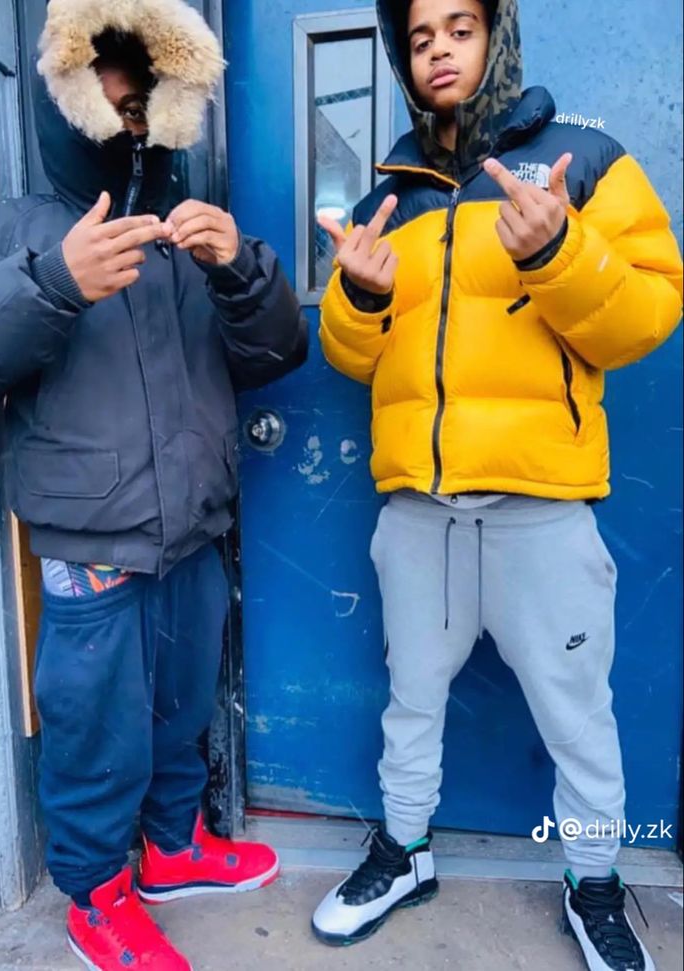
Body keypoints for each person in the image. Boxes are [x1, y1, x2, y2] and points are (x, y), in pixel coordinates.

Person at [311, 0, 682, 968]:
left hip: (539, 510)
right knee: (410, 698)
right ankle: (403, 851)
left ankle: (593, 878)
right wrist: (356, 294)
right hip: (418, 514)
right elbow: (356, 358)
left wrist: (555, 251)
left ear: (496, 37)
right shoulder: (386, 189)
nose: (438, 50)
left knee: (576, 709)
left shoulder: (580, 159)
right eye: (420, 36)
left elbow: (646, 311)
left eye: (458, 28)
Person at [0, 1, 307, 969]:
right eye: (111, 74)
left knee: (181, 704)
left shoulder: (193, 226)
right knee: (94, 727)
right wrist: (54, 281)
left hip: (191, 527)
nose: (131, 99)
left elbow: (277, 348)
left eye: (147, 80)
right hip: (90, 546)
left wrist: (238, 269)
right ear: (66, 89)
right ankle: (96, 895)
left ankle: (175, 847)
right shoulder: (9, 230)